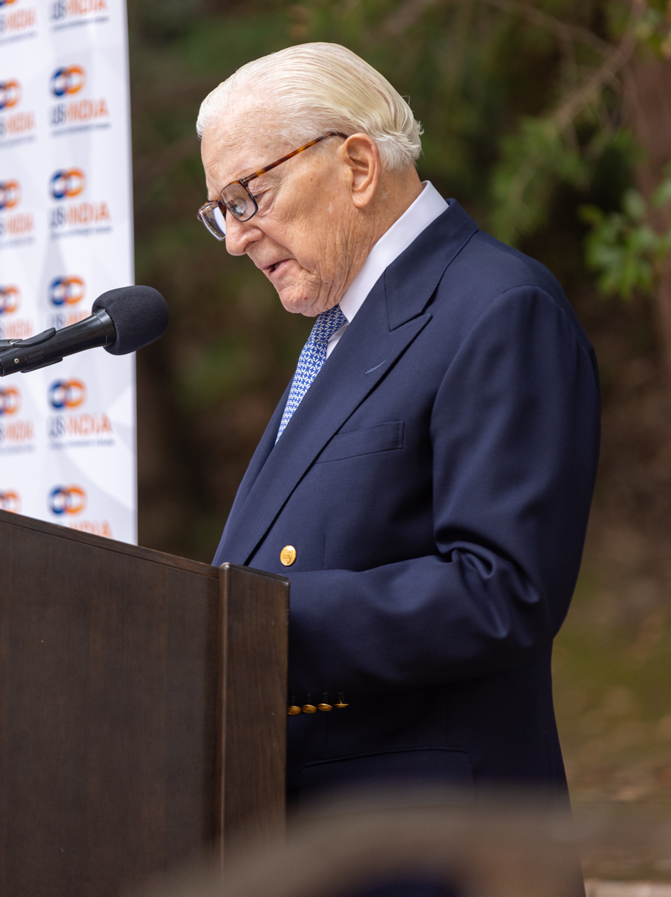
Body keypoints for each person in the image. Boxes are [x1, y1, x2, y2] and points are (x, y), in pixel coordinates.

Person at [196, 42, 600, 809]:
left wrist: (247, 625)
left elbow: (502, 591)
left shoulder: (498, 306)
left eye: (247, 197)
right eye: (221, 215)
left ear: (356, 166)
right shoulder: (345, 326)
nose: (239, 238)